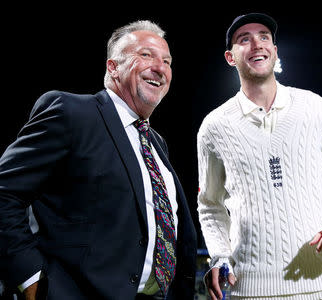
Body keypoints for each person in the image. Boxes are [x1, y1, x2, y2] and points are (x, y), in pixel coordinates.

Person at [0, 20, 197, 300]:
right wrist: (31, 280)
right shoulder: (72, 113)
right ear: (112, 67)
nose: (160, 67)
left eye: (167, 60)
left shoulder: (156, 142)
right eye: (146, 55)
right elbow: (4, 192)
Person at [197, 13, 322, 300]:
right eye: (245, 39)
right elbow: (209, 204)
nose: (257, 44)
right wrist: (220, 255)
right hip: (252, 290)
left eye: (264, 37)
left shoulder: (313, 107)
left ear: (274, 51)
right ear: (230, 57)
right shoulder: (214, 126)